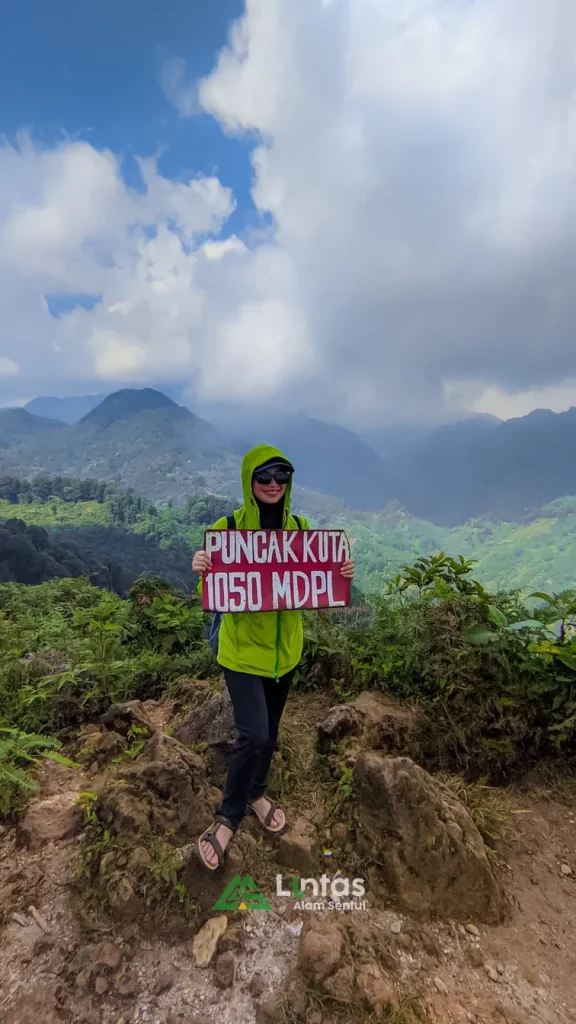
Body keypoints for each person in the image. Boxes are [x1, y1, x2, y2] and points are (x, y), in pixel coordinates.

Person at [191, 443, 354, 870]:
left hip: (286, 654)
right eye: (264, 477)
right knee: (254, 735)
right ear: (249, 480)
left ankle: (259, 793)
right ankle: (229, 815)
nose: (273, 485)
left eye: (281, 477)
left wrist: (337, 576)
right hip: (242, 654)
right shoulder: (225, 529)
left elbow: (316, 599)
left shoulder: (301, 530)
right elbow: (211, 597)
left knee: (272, 731)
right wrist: (202, 571)